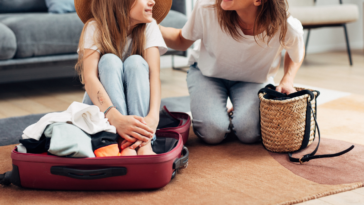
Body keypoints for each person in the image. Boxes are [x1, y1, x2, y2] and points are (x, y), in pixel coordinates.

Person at [159, 0, 304, 144]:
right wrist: (153, 27)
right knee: (212, 133)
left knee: (249, 133)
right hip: (207, 74)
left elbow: (296, 51)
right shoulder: (207, 6)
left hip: (252, 80)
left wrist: (288, 79)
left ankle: (239, 110)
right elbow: (181, 41)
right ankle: (225, 114)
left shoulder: (287, 25)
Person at [75, 0, 171, 155]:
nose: (152, 1)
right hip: (104, 112)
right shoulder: (95, 27)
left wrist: (153, 118)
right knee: (109, 60)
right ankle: (120, 140)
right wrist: (115, 118)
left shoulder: (149, 26)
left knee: (136, 62)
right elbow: (90, 78)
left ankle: (141, 141)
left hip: (139, 117)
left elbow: (154, 76)